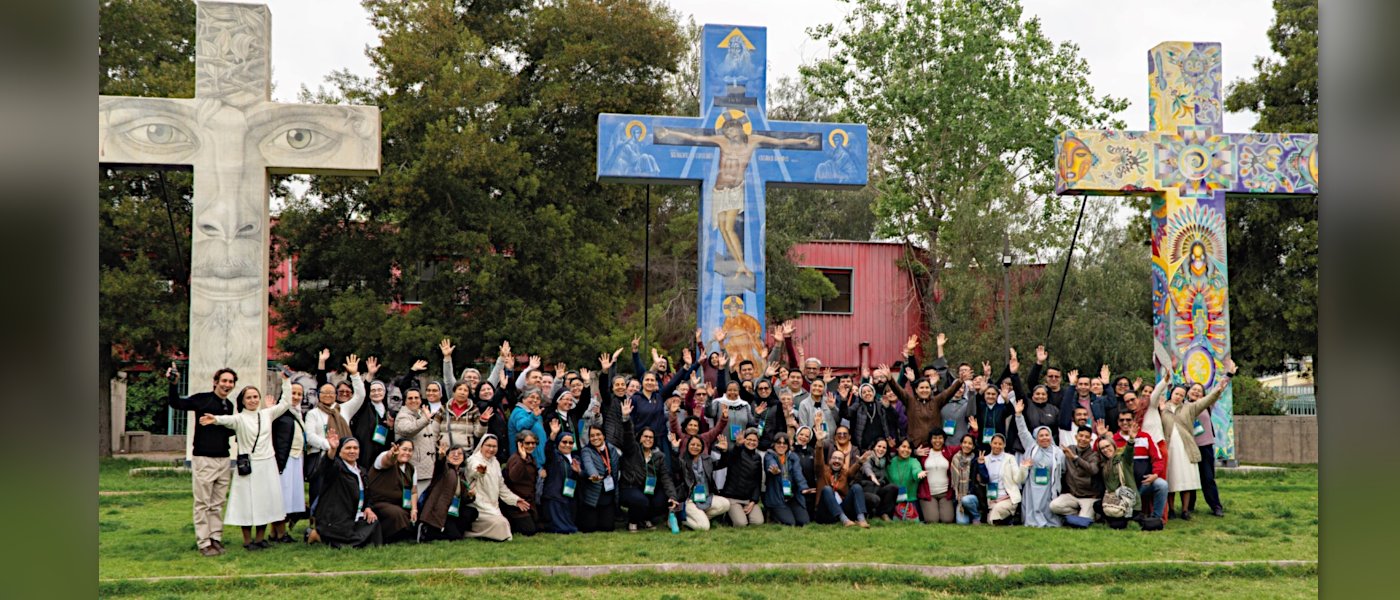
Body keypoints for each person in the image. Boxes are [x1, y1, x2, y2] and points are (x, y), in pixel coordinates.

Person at [200, 384, 290, 550]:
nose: (252, 400)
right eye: (248, 397)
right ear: (242, 401)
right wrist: (215, 419)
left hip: (267, 463)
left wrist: (286, 382)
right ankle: (248, 541)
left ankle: (260, 539)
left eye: (255, 397)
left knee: (265, 502)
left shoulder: (267, 414)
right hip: (248, 466)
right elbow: (226, 420)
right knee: (246, 503)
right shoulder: (239, 418)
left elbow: (285, 403)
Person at [166, 363, 237, 556]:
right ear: (215, 382)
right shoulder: (202, 400)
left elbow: (228, 430)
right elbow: (177, 404)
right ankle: (204, 542)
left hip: (224, 459)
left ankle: (216, 538)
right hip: (204, 458)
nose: (227, 385)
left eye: (231, 382)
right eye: (224, 381)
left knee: (218, 502)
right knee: (203, 503)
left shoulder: (229, 405)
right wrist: (173, 384)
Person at [1160, 361, 1232, 520]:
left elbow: (1215, 393)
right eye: (1194, 389)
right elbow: (1167, 392)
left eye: (1200, 391)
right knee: (1181, 477)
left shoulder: (1200, 406)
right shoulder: (1175, 406)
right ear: (1187, 392)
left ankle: (1215, 506)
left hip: (1203, 446)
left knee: (1206, 478)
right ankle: (1186, 508)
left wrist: (1228, 376)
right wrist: (1170, 371)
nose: (1197, 392)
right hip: (1182, 447)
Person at [268, 377, 325, 543]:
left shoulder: (298, 413)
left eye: (299, 394)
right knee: (281, 498)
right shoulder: (279, 412)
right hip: (284, 460)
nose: (296, 396)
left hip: (297, 459)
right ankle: (279, 533)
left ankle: (275, 533)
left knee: (290, 498)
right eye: (293, 393)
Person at [311, 433, 382, 548]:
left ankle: (330, 540)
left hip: (355, 515)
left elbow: (368, 495)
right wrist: (332, 450)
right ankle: (320, 536)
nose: (352, 451)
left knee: (374, 523)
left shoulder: (362, 471)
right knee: (356, 538)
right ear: (340, 452)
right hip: (336, 517)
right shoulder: (336, 467)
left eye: (355, 448)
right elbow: (326, 466)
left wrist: (368, 508)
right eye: (348, 448)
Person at [886, 362, 964, 456]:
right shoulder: (910, 401)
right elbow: (898, 391)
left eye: (927, 387)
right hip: (915, 447)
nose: (924, 390)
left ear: (930, 389)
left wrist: (960, 381)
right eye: (921, 388)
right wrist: (890, 379)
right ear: (916, 390)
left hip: (934, 447)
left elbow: (949, 392)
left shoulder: (936, 401)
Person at [464, 434, 530, 541]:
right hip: (478, 506)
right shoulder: (474, 460)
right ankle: (470, 533)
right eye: (488, 445)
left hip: (493, 507)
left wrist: (515, 500)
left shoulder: (495, 462)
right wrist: (480, 471)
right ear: (481, 446)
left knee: (505, 524)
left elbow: (501, 487)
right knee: (502, 525)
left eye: (494, 446)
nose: (491, 449)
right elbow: (475, 470)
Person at [619, 418, 681, 531]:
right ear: (640, 437)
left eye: (651, 437)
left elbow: (665, 478)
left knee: (662, 498)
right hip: (630, 487)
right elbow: (628, 436)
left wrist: (672, 496)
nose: (648, 439)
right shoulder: (633, 450)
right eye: (645, 436)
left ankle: (645, 518)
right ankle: (633, 521)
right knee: (641, 500)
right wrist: (626, 420)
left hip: (648, 489)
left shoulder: (659, 456)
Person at [1012, 399, 1064, 528]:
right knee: (1033, 504)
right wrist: (1018, 415)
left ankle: (1049, 521)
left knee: (1048, 506)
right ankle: (1033, 521)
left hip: (1049, 486)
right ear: (1036, 437)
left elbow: (1062, 470)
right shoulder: (1031, 447)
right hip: (1033, 486)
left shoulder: (1058, 453)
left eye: (1047, 435)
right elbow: (1023, 432)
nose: (1045, 438)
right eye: (1041, 435)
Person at [1113, 406, 1168, 522]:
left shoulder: (1145, 437)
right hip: (1124, 486)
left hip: (1144, 483)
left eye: (1128, 420)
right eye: (1122, 420)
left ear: (1134, 421)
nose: (1125, 422)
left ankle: (1156, 519)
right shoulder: (1114, 440)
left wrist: (1155, 474)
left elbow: (1158, 459)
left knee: (1162, 485)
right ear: (1118, 423)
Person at [812, 425, 873, 528]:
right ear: (830, 460)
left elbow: (851, 472)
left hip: (842, 508)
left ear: (843, 462)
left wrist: (859, 463)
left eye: (840, 459)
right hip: (825, 512)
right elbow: (818, 460)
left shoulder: (844, 473)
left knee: (856, 487)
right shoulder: (822, 470)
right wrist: (819, 443)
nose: (836, 461)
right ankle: (844, 520)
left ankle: (861, 519)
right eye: (834, 458)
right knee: (827, 489)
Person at [417, 444, 479, 542]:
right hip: (439, 511)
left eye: (459, 454)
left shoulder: (461, 475)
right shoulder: (445, 469)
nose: (456, 455)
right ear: (447, 456)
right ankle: (426, 531)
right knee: (455, 537)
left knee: (472, 512)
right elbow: (439, 465)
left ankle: (447, 532)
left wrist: (470, 495)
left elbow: (463, 499)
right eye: (453, 453)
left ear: (463, 458)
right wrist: (441, 456)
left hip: (453, 510)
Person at [676, 431, 732, 530]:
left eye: (698, 445)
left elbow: (722, 464)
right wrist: (675, 450)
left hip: (705, 497)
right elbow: (673, 465)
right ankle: (681, 519)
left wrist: (724, 452)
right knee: (704, 527)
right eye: (692, 444)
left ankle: (700, 516)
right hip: (689, 500)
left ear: (702, 447)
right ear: (687, 446)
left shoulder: (707, 460)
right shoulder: (682, 461)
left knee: (726, 504)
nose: (695, 447)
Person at [365, 439, 417, 543]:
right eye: (404, 449)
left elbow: (413, 491)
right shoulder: (383, 457)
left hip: (401, 504)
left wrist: (414, 509)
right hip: (378, 503)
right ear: (397, 448)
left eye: (410, 450)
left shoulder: (411, 468)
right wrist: (392, 455)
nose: (407, 453)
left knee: (408, 514)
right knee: (396, 514)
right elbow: (388, 460)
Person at [1050, 428, 1104, 522]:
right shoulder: (1070, 449)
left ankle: (1089, 514)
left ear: (1090, 440)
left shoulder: (1094, 455)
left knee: (1084, 521)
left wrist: (1075, 458)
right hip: (1072, 495)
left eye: (1086, 437)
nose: (1083, 439)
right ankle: (1078, 513)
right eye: (1081, 436)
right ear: (1076, 437)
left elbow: (1093, 470)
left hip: (1089, 497)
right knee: (1054, 506)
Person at [394, 387, 438, 503]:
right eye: (410, 398)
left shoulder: (422, 414)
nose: (414, 400)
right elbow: (408, 429)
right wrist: (425, 419)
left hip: (429, 468)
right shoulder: (402, 415)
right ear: (405, 401)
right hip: (414, 469)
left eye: (416, 398)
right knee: (414, 503)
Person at [579, 423, 624, 533]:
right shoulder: (586, 451)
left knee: (607, 528)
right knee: (589, 528)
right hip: (593, 495)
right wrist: (593, 474)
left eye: (598, 434)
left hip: (608, 494)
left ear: (604, 436)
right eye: (592, 435)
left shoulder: (612, 449)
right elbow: (588, 464)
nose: (595, 438)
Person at [718, 427, 766, 527]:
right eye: (749, 439)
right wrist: (738, 445)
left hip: (748, 499)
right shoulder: (736, 452)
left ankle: (742, 513)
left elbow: (758, 481)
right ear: (744, 440)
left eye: (754, 440)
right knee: (741, 524)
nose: (751, 442)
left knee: (758, 522)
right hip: (733, 498)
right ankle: (728, 516)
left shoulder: (757, 457)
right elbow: (728, 458)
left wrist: (753, 501)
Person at [540, 426, 581, 534]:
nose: (567, 445)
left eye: (570, 443)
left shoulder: (575, 459)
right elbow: (548, 449)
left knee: (570, 527)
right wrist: (553, 435)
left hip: (568, 496)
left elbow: (582, 476)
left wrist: (578, 472)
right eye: (564, 442)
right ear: (558, 443)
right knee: (562, 528)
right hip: (554, 496)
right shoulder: (554, 455)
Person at [763, 433, 810, 526]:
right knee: (790, 523)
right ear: (774, 445)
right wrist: (774, 469)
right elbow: (771, 464)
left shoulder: (793, 457)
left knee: (804, 521)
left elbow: (798, 473)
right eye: (778, 443)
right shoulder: (769, 455)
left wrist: (804, 487)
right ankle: (772, 514)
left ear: (788, 445)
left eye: (784, 443)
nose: (781, 445)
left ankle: (788, 510)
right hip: (777, 497)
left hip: (791, 496)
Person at [978, 433, 1024, 525]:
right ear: (991, 444)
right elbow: (984, 480)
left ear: (1004, 445)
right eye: (995, 443)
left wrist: (1024, 468)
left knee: (996, 513)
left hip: (1008, 497)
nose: (997, 446)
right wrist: (981, 464)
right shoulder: (985, 459)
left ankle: (1010, 517)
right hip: (993, 498)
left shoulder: (1010, 458)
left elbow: (1018, 478)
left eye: (1000, 444)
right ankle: (1008, 520)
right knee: (991, 520)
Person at [918, 428, 961, 524]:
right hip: (929, 493)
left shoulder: (949, 451)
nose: (937, 441)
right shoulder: (924, 452)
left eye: (940, 438)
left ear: (944, 439)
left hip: (945, 493)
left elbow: (964, 446)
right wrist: (915, 452)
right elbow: (906, 452)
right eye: (934, 438)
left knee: (947, 520)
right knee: (932, 520)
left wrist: (974, 432)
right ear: (930, 440)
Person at [502, 431, 541, 536]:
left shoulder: (530, 458)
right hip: (516, 504)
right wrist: (522, 459)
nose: (531, 446)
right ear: (520, 444)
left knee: (539, 527)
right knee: (529, 530)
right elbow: (514, 477)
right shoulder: (516, 458)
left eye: (533, 443)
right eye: (527, 443)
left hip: (529, 502)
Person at [858, 438, 898, 520]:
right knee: (875, 499)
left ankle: (884, 513)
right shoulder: (868, 457)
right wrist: (871, 475)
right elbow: (866, 466)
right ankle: (868, 514)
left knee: (893, 487)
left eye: (884, 447)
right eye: (879, 446)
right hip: (866, 491)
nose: (881, 449)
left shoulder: (885, 459)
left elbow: (900, 452)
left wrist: (915, 452)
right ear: (873, 447)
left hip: (878, 489)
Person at [949, 432, 984, 525]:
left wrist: (981, 466)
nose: (966, 445)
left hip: (973, 496)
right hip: (960, 498)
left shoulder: (976, 460)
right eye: (964, 442)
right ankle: (969, 514)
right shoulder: (955, 458)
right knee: (962, 523)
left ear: (973, 446)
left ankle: (976, 515)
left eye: (970, 443)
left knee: (966, 500)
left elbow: (985, 478)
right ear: (961, 444)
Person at [885, 438, 924, 521]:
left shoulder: (914, 461)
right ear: (897, 448)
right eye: (903, 446)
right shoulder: (890, 462)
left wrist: (919, 474)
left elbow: (916, 470)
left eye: (909, 448)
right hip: (894, 502)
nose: (906, 450)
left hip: (910, 501)